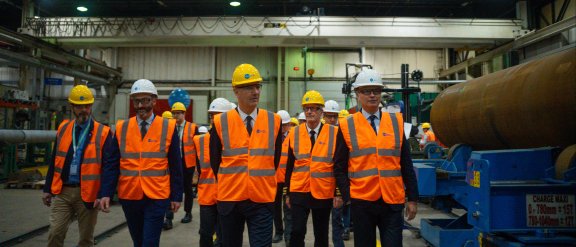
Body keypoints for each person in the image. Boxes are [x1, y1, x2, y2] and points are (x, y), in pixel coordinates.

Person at [334, 69, 419, 247]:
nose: (372, 95)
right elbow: (339, 166)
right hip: (362, 202)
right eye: (366, 91)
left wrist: (412, 198)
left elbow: (406, 163)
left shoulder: (396, 122)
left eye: (376, 90)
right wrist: (349, 196)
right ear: (357, 93)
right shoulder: (346, 125)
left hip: (392, 201)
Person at [99, 79, 184, 247]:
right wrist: (106, 193)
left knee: (149, 243)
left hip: (157, 196)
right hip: (130, 195)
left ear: (154, 101)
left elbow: (176, 165)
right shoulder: (122, 128)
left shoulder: (167, 127)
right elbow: (111, 164)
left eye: (145, 100)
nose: (140, 105)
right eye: (136, 101)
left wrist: (176, 196)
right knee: (138, 241)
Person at [210, 63, 283, 246]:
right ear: (236, 91)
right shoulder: (221, 122)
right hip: (230, 200)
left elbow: (274, 160)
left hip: (262, 199)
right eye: (249, 87)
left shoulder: (274, 121)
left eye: (258, 87)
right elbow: (214, 161)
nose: (255, 92)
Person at [42, 85, 118, 247]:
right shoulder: (63, 129)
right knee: (55, 233)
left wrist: (103, 194)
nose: (84, 110)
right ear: (72, 107)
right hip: (63, 191)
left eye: (87, 106)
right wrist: (47, 188)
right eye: (79, 106)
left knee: (85, 239)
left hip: (88, 193)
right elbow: (54, 160)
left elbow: (108, 168)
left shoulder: (103, 133)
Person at [285, 90, 342, 247]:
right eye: (306, 108)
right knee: (296, 231)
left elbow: (339, 166)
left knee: (321, 233)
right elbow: (289, 165)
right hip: (299, 190)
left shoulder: (334, 133)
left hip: (323, 190)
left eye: (313, 108)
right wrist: (287, 192)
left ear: (321, 111)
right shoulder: (294, 133)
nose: (309, 111)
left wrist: (338, 192)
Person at [196, 98, 231, 247]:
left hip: (227, 195)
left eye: (218, 115)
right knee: (205, 234)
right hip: (207, 196)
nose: (214, 119)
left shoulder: (234, 141)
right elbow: (199, 169)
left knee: (225, 236)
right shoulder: (199, 141)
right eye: (212, 115)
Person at [163, 102, 198, 230]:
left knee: (188, 189)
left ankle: (188, 213)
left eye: (178, 113)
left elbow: (198, 148)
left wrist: (197, 169)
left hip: (187, 163)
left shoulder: (193, 128)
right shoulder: (168, 127)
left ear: (184, 113)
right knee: (170, 189)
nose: (176, 116)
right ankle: (169, 218)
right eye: (174, 113)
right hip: (172, 163)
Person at [322, 99, 345, 247]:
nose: (331, 119)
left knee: (337, 220)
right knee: (321, 225)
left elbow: (342, 166)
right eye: (328, 116)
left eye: (334, 116)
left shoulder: (341, 134)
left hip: (336, 186)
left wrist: (338, 191)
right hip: (322, 188)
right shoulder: (318, 134)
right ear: (323, 116)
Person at [273, 110, 293, 244]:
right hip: (274, 179)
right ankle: (278, 232)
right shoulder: (272, 137)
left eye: (285, 125)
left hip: (288, 179)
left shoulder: (293, 137)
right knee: (275, 208)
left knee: (288, 208)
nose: (283, 128)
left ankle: (288, 235)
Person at [337, 109, 352, 241]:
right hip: (339, 176)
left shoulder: (349, 132)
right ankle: (344, 226)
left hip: (348, 176)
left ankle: (346, 227)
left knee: (346, 205)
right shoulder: (336, 133)